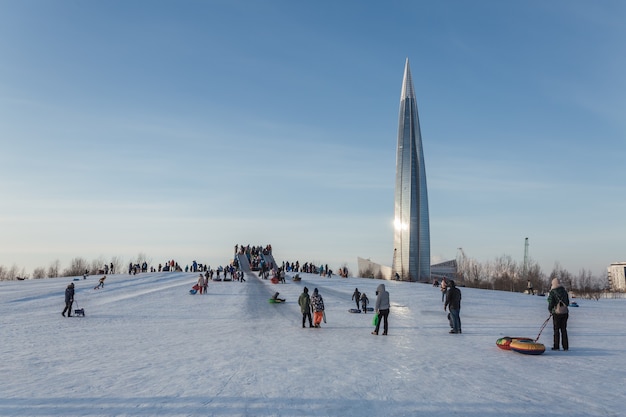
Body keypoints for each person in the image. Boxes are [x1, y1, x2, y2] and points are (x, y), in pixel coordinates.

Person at [548, 277, 569, 351]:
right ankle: (565, 346)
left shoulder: (552, 292)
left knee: (556, 330)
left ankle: (556, 346)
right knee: (564, 330)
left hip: (557, 313)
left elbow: (551, 302)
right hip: (565, 313)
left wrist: (550, 310)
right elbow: (567, 303)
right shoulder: (564, 291)